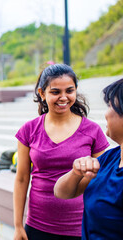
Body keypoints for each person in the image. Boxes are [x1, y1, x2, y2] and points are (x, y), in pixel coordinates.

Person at [13, 64, 109, 240]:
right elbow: (21, 178)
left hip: (79, 226)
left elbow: (102, 181)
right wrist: (18, 225)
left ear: (76, 91)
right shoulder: (29, 130)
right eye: (56, 92)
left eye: (69, 91)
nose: (63, 97)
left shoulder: (92, 131)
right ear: (42, 93)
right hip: (37, 225)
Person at [54, 78, 123, 239]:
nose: (106, 113)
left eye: (110, 106)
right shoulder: (110, 158)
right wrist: (76, 172)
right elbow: (61, 192)